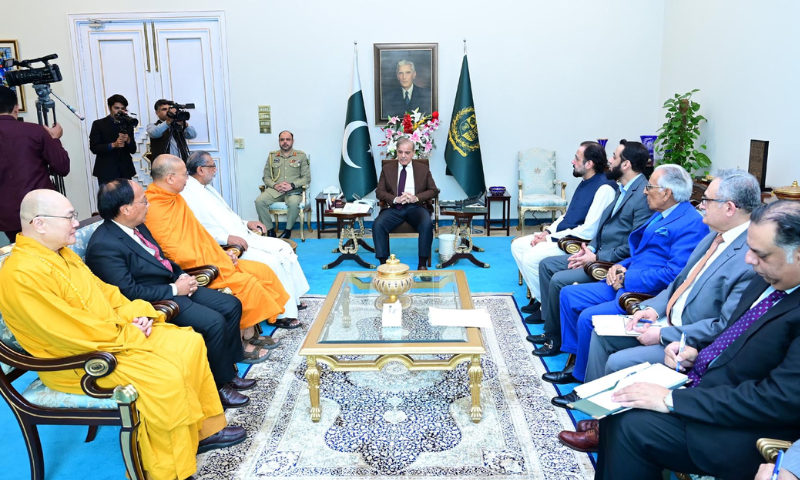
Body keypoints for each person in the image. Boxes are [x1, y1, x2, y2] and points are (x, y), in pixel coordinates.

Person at [0, 189, 245, 480]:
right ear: (40, 224)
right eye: (69, 218)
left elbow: (107, 294)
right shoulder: (22, 273)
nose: (76, 224)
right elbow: (67, 331)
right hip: (77, 359)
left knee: (187, 341)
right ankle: (166, 471)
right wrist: (128, 331)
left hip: (109, 335)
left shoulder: (62, 255)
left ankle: (202, 431)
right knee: (163, 374)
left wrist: (137, 315)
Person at [555, 169, 761, 452]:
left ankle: (607, 434)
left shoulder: (750, 255)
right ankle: (597, 414)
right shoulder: (715, 236)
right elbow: (680, 282)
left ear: (729, 208)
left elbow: (723, 325)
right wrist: (651, 309)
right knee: (601, 333)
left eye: (707, 200)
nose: (700, 204)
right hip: (665, 317)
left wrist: (664, 332)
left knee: (617, 360)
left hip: (686, 340)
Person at [594, 200, 800, 480]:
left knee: (630, 426)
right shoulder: (767, 279)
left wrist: (673, 399)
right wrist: (696, 351)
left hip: (742, 427)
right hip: (707, 390)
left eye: (761, 254)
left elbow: (777, 400)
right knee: (623, 404)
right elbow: (736, 333)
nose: (749, 260)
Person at [85, 179, 265, 409]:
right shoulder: (104, 244)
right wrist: (174, 289)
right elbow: (127, 292)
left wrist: (182, 277)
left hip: (174, 286)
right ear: (126, 209)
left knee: (231, 305)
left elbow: (161, 259)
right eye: (143, 200)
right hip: (156, 300)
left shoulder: (137, 226)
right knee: (213, 322)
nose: (148, 204)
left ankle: (227, 373)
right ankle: (217, 388)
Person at [543, 164, 708, 385]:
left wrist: (627, 277)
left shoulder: (690, 223)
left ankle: (582, 377)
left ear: (667, 193)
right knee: (569, 295)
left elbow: (674, 275)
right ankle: (575, 359)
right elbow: (641, 252)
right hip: (625, 279)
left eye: (650, 186)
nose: (644, 191)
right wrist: (618, 266)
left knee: (587, 318)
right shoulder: (663, 213)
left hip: (643, 292)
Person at [144, 155, 298, 342]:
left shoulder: (176, 199)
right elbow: (175, 253)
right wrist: (215, 260)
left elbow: (199, 233)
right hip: (199, 269)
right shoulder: (154, 206)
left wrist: (221, 253)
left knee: (263, 271)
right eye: (184, 174)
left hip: (214, 257)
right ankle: (246, 340)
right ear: (169, 178)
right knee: (247, 283)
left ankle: (250, 332)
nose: (187, 178)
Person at [530, 140, 652, 356]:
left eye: (614, 157)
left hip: (612, 262)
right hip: (596, 253)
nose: (610, 161)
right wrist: (588, 251)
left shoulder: (642, 195)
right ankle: (552, 330)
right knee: (547, 265)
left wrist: (596, 256)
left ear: (625, 165)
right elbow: (601, 227)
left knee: (559, 280)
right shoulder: (622, 189)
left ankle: (556, 341)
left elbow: (635, 244)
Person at [182, 151, 310, 320]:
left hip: (244, 235)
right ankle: (281, 313)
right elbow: (198, 229)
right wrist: (226, 239)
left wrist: (246, 223)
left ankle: (293, 298)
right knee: (272, 260)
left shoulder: (206, 188)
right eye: (212, 166)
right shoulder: (188, 194)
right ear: (200, 170)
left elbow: (227, 217)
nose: (215, 169)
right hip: (230, 246)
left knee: (284, 247)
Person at [511, 141, 618, 322]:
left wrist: (550, 239)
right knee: (518, 245)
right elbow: (568, 216)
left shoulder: (604, 188)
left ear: (589, 164)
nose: (572, 161)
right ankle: (540, 299)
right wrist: (547, 232)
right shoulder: (585, 181)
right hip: (561, 236)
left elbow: (589, 230)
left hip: (577, 243)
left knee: (530, 256)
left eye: (577, 158)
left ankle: (547, 307)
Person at [0, 85, 70, 241]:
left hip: (6, 216)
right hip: (40, 210)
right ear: (16, 108)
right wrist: (55, 140)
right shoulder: (35, 131)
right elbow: (62, 167)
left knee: (21, 254)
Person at [373, 137, 439, 270]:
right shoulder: (387, 169)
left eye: (407, 152)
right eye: (400, 152)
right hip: (393, 208)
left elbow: (433, 191)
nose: (403, 156)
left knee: (426, 223)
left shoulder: (422, 168)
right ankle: (384, 264)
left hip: (416, 207)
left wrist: (416, 198)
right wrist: (395, 199)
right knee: (378, 225)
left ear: (413, 153)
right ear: (396, 152)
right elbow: (379, 192)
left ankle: (422, 264)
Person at [253, 130, 311, 239]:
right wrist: (275, 185)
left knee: (294, 204)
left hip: (293, 191)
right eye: (282, 140)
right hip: (276, 190)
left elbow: (307, 178)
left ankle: (287, 231)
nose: (285, 142)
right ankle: (270, 231)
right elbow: (266, 177)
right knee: (259, 201)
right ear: (279, 141)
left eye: (288, 139)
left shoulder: (301, 156)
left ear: (292, 141)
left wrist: (292, 185)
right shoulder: (272, 156)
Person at [89, 94, 138, 185]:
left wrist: (128, 140)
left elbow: (133, 150)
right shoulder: (98, 124)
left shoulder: (128, 124)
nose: (120, 111)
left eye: (123, 109)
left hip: (125, 171)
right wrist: (113, 145)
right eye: (117, 108)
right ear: (109, 107)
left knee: (128, 199)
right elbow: (94, 148)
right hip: (106, 171)